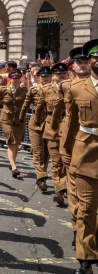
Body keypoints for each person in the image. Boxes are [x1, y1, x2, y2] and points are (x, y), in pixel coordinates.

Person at [63, 39, 98, 274]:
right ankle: (85, 258)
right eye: (96, 57)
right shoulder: (77, 88)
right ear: (91, 60)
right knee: (85, 209)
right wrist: (66, 153)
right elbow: (71, 123)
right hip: (85, 152)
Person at [52, 47, 91, 248]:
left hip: (90, 143)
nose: (83, 64)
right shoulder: (67, 86)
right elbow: (60, 112)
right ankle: (78, 229)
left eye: (86, 61)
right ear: (73, 65)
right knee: (76, 191)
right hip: (73, 143)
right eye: (79, 62)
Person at [34, 62, 69, 205]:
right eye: (58, 74)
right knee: (56, 161)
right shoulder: (46, 90)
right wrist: (37, 122)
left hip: (69, 129)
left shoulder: (73, 87)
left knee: (67, 161)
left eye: (64, 73)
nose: (62, 76)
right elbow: (40, 107)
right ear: (53, 76)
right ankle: (59, 190)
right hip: (52, 129)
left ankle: (67, 187)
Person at [19, 66, 52, 191]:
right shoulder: (33, 90)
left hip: (50, 124)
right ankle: (41, 177)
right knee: (38, 152)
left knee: (47, 153)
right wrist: (21, 117)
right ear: (38, 78)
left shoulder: (56, 90)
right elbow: (26, 104)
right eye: (43, 77)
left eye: (47, 76)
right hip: (35, 123)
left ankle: (41, 175)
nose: (45, 79)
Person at [0, 69, 28, 178]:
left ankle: (11, 162)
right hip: (7, 119)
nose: (16, 80)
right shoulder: (4, 90)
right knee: (11, 142)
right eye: (14, 78)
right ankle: (14, 167)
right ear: (10, 79)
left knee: (16, 143)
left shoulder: (24, 90)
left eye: (18, 78)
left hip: (19, 120)